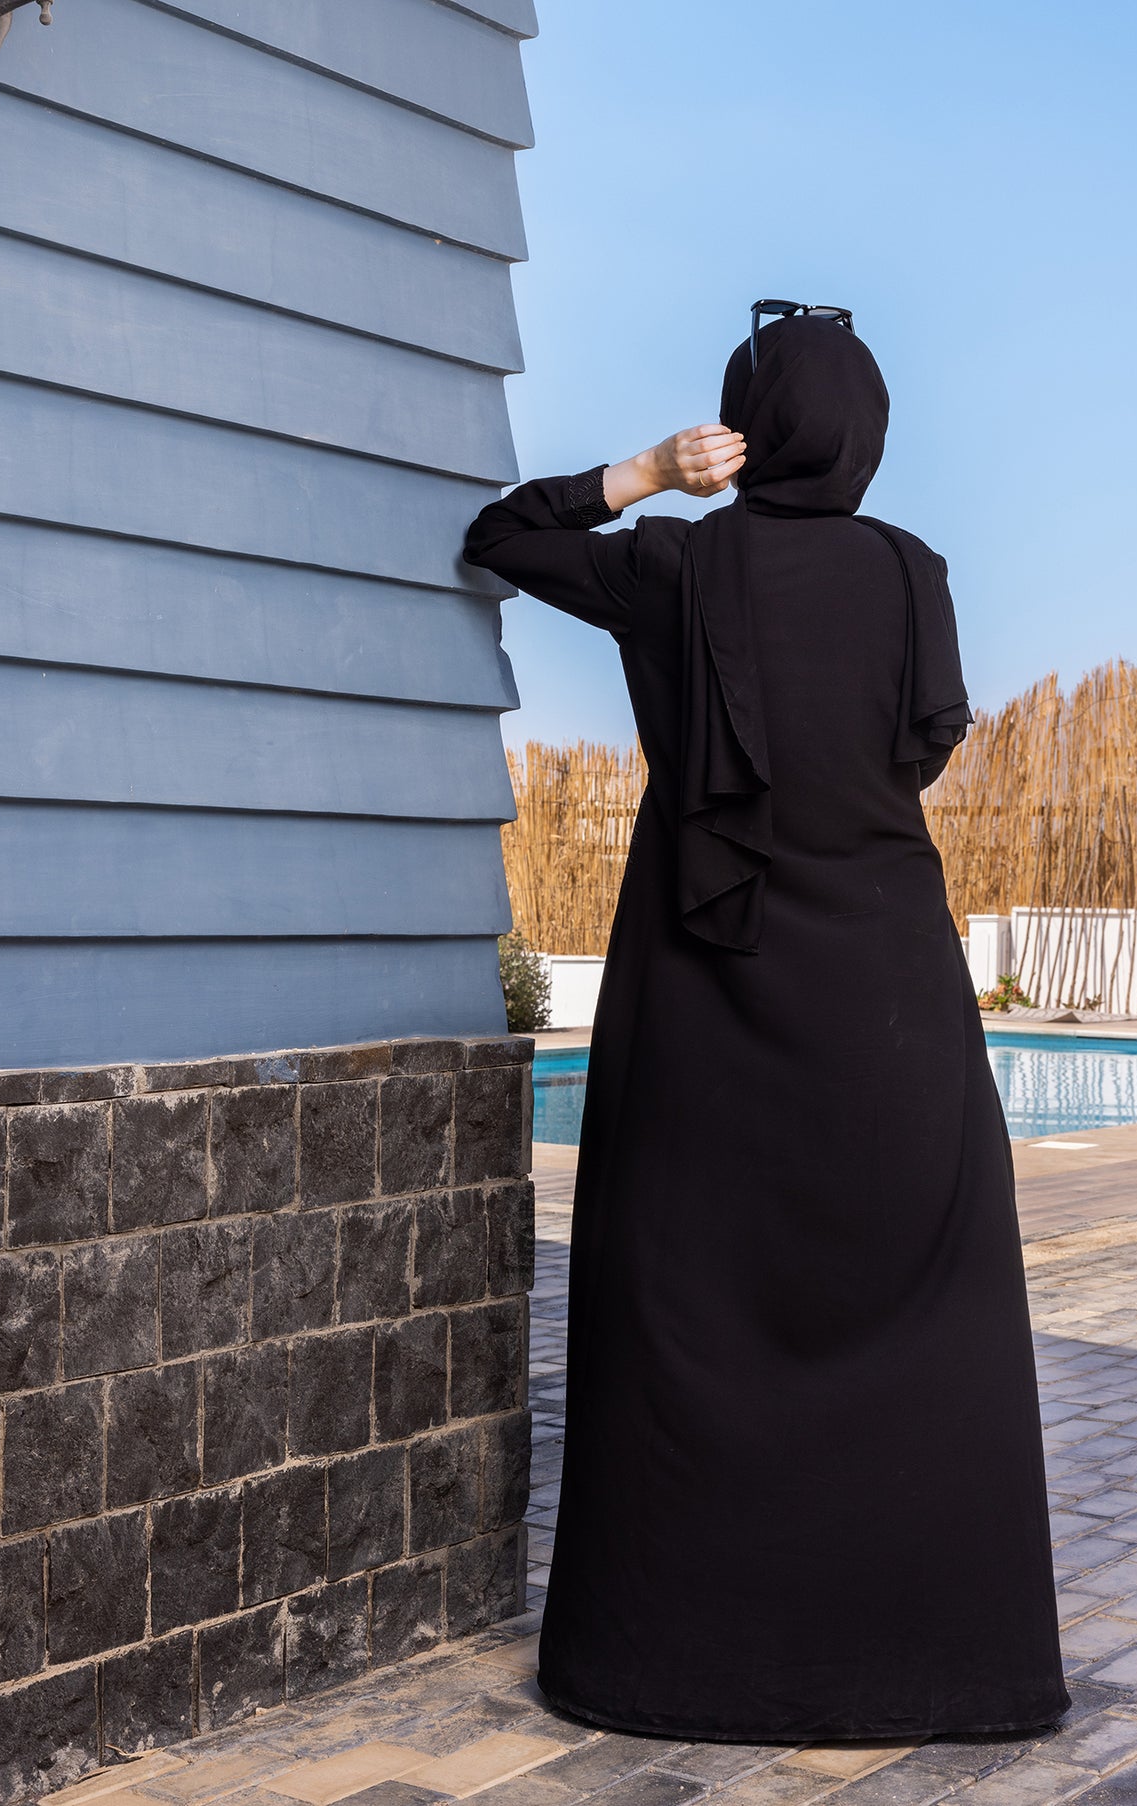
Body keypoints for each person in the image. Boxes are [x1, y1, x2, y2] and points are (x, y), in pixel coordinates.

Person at [462, 307, 1068, 1742]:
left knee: (685, 1303)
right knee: (929, 1318)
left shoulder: (678, 563)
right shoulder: (914, 577)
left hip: (704, 990)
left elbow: (503, 536)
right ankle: (948, 1671)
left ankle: (668, 1668)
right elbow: (918, 746)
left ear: (746, 426)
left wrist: (648, 473)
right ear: (863, 436)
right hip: (890, 1007)